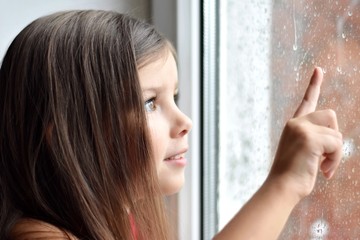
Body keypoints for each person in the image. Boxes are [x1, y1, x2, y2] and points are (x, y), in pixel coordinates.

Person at [0, 10, 342, 240]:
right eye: (150, 102)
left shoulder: (122, 223)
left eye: (174, 97)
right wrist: (283, 184)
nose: (185, 122)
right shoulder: (37, 235)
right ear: (66, 138)